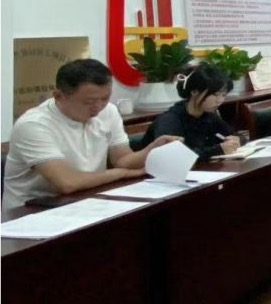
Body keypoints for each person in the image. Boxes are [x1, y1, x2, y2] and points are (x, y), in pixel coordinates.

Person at [4, 58, 181, 202]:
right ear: (59, 96)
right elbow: (67, 183)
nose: (98, 107)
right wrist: (122, 174)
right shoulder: (34, 125)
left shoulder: (109, 111)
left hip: (87, 197)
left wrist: (151, 149)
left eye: (105, 98)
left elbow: (122, 160)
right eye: (89, 102)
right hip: (32, 210)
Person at [143, 63, 242, 160]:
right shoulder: (169, 120)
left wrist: (236, 140)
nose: (219, 100)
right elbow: (175, 156)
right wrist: (218, 149)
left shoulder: (208, 115)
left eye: (224, 95)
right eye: (215, 95)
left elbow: (235, 135)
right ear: (194, 92)